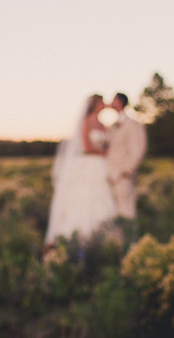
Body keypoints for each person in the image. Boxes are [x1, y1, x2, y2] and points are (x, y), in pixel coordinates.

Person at [44, 94, 117, 247]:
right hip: (89, 164)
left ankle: (100, 240)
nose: (104, 105)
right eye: (101, 102)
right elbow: (87, 146)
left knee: (101, 199)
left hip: (101, 165)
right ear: (95, 104)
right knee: (84, 199)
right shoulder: (87, 121)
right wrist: (104, 154)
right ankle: (77, 239)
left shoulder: (103, 124)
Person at [105, 93, 147, 220]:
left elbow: (138, 149)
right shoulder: (113, 125)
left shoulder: (133, 124)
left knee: (126, 211)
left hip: (123, 175)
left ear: (119, 102)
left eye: (113, 99)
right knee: (112, 210)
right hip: (110, 173)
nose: (111, 102)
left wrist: (127, 170)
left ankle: (128, 238)